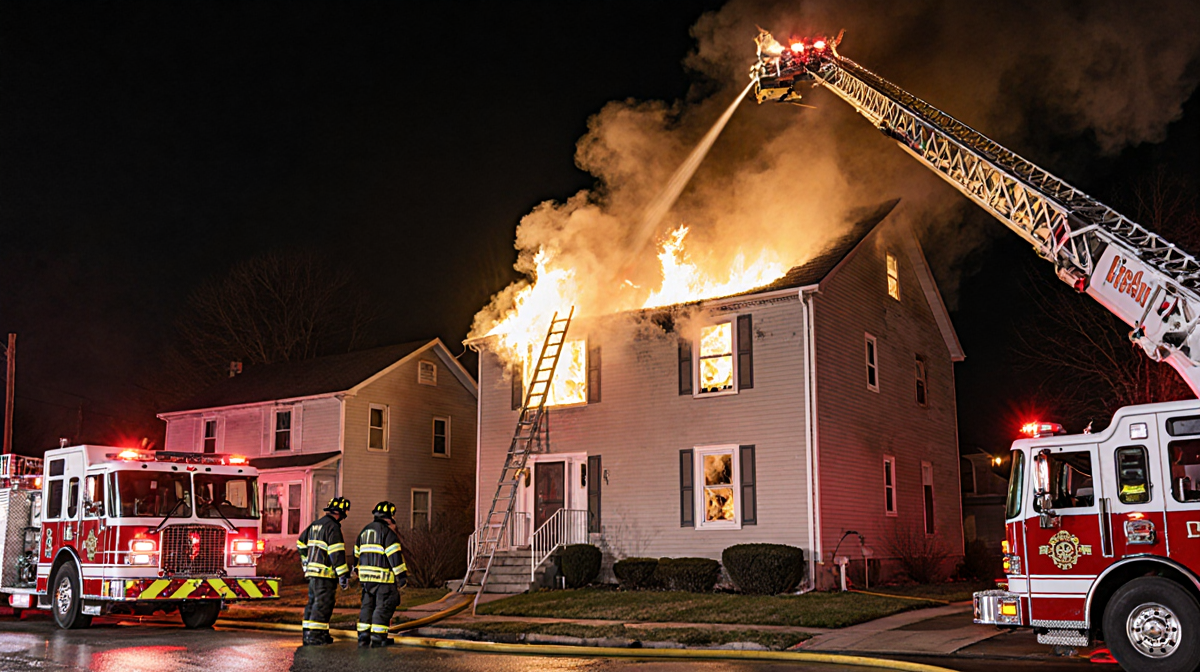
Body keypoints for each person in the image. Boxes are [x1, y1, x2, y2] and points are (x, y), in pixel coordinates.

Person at [296, 496, 351, 646]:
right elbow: (336, 553)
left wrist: (306, 564)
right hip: (325, 576)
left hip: (313, 574)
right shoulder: (332, 527)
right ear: (341, 512)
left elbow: (300, 543)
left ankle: (311, 634)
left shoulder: (316, 524)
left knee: (313, 603)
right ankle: (315, 636)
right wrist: (343, 575)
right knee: (323, 605)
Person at [353, 501, 408, 648]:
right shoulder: (388, 533)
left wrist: (356, 570)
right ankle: (378, 638)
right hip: (383, 579)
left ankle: (363, 637)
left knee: (367, 606)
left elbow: (356, 553)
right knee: (383, 606)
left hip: (366, 579)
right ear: (389, 517)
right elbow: (394, 556)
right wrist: (401, 576)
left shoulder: (364, 531)